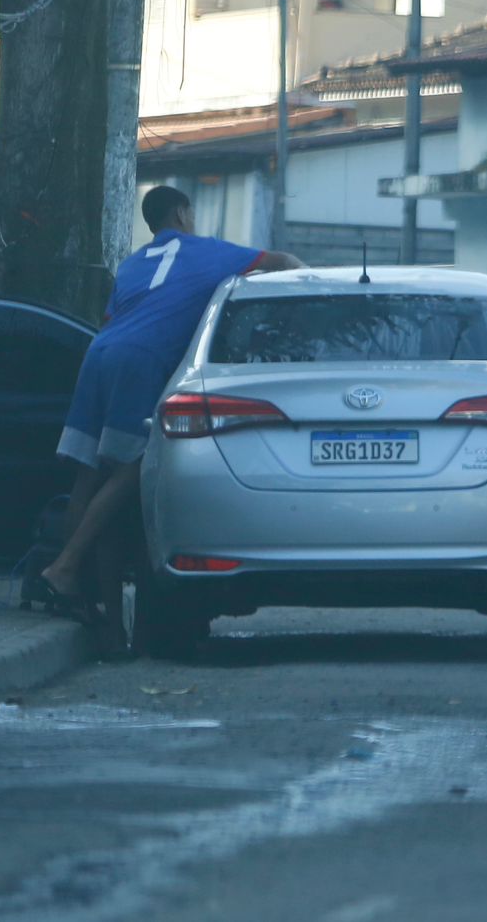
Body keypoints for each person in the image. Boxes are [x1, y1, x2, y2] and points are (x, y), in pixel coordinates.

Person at [29, 186, 304, 651]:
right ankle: (65, 569)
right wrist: (310, 281)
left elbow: (116, 314)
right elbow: (281, 262)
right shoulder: (209, 251)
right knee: (131, 469)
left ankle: (92, 608)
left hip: (100, 353)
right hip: (142, 360)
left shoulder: (134, 263)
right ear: (181, 213)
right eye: (191, 212)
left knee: (88, 477)